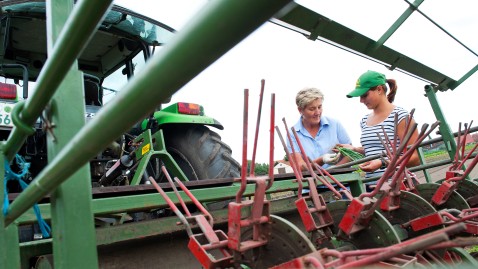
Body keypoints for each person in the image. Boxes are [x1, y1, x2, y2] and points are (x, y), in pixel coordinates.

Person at [339, 70, 420, 179]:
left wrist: (383, 163)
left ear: (379, 89)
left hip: (398, 185)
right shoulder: (364, 121)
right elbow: (375, 150)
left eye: (364, 95)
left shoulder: (401, 117)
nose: (361, 100)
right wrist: (354, 149)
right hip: (372, 186)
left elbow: (415, 158)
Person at [286, 87, 352, 170]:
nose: (317, 112)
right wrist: (322, 160)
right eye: (312, 109)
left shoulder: (335, 124)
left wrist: (335, 169)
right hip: (313, 182)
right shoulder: (293, 133)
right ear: (300, 110)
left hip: (342, 180)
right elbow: (300, 167)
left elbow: (351, 154)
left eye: (319, 107)